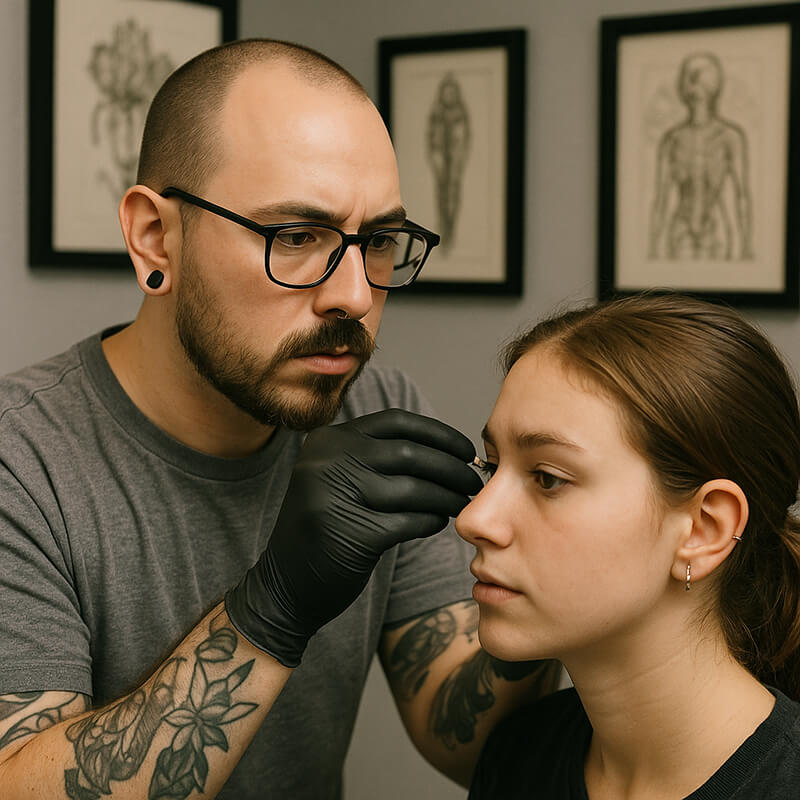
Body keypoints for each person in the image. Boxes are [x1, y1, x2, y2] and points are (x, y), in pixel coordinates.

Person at [0, 39, 559, 799]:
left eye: (380, 243)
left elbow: (460, 738)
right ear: (155, 237)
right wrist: (275, 605)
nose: (355, 296)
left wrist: (550, 591)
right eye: (296, 237)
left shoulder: (373, 409)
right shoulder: (21, 461)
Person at [458, 293, 800, 799]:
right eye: (491, 466)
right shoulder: (518, 757)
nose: (474, 518)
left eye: (548, 478)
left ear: (703, 529)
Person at [648, 52, 753, 261]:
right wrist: (652, 249)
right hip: (681, 227)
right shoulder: (672, 139)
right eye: (691, 79)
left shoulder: (730, 137)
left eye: (701, 80)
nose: (696, 89)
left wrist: (746, 247)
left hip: (715, 227)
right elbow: (661, 198)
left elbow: (742, 195)